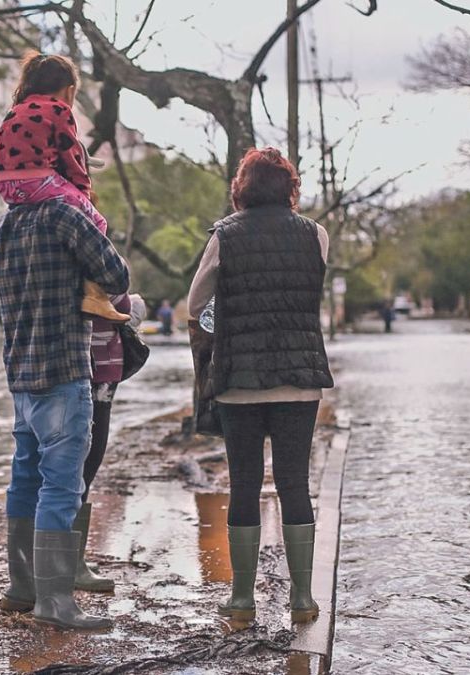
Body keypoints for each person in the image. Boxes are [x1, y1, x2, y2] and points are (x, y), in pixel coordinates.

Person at [187, 147, 333, 624]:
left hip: (240, 383)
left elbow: (194, 304)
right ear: (290, 187)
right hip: (299, 380)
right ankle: (303, 598)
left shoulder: (224, 236)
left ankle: (243, 598)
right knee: (295, 484)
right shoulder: (316, 235)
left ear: (241, 188)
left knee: (245, 484)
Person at [0, 188, 129, 630]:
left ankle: (23, 587)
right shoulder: (66, 217)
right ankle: (55, 602)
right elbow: (116, 275)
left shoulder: (5, 225)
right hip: (64, 371)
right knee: (62, 485)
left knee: (25, 477)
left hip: (21, 374)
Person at [0, 51, 128, 324]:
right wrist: (83, 193)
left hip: (7, 187)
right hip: (38, 180)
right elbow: (71, 156)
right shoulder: (58, 110)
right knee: (95, 219)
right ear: (69, 90)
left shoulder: (13, 113)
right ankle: (94, 295)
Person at [76, 291, 147, 593]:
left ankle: (65, 559)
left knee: (78, 465)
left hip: (92, 367)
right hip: (96, 368)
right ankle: (70, 562)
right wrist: (136, 304)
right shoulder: (95, 250)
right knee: (85, 463)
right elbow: (120, 303)